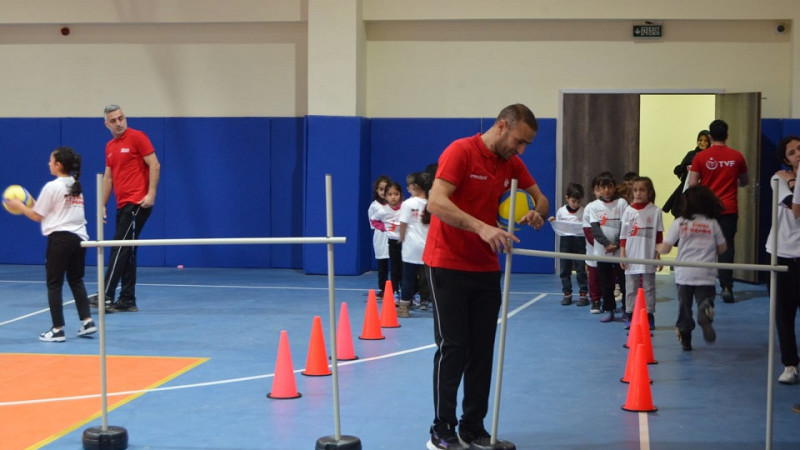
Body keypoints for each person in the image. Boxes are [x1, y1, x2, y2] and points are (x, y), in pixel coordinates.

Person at [422, 103, 549, 449]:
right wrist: (482, 227)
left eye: (526, 145)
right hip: (446, 262)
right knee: (454, 347)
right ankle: (441, 429)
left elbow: (541, 199)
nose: (521, 150)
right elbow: (436, 202)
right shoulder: (461, 151)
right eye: (519, 141)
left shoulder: (511, 162)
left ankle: (473, 427)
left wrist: (537, 213)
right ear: (502, 126)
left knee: (482, 351)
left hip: (485, 267)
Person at [5, 147, 97, 342]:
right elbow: (51, 210)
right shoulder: (75, 185)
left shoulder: (52, 186)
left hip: (60, 240)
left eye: (51, 161)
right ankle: (87, 322)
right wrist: (31, 201)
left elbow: (36, 216)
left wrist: (20, 205)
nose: (48, 164)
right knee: (76, 280)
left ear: (58, 165)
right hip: (79, 239)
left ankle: (57, 330)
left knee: (54, 284)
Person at [89, 105, 161, 313]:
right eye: (113, 120)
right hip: (122, 204)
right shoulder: (110, 146)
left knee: (119, 247)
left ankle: (106, 295)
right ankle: (127, 299)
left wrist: (151, 194)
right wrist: (102, 204)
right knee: (127, 250)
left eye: (121, 118)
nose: (118, 123)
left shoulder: (138, 137)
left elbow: (154, 165)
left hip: (137, 203)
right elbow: (108, 177)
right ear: (106, 124)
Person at [658, 185, 726, 351]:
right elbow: (722, 248)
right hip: (706, 271)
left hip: (685, 272)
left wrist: (656, 247)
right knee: (706, 299)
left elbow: (665, 248)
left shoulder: (680, 222)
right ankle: (705, 310)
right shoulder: (712, 223)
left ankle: (685, 336)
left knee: (684, 306)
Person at [688, 119, 748, 303]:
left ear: (710, 137)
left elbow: (692, 184)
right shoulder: (737, 156)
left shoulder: (700, 157)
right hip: (729, 208)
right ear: (727, 135)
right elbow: (745, 181)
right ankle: (727, 287)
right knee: (726, 247)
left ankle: (704, 286)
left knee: (704, 246)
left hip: (707, 209)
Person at [765, 135, 800, 384]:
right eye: (792, 152)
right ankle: (790, 364)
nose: (798, 154)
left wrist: (795, 179)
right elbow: (793, 206)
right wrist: (792, 179)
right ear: (785, 160)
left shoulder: (790, 179)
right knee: (783, 315)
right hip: (781, 255)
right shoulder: (778, 178)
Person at [620, 176, 663, 330]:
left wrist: (657, 255)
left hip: (648, 257)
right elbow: (623, 236)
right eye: (635, 190)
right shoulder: (628, 211)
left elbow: (659, 236)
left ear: (649, 192)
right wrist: (622, 255)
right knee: (630, 288)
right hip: (631, 257)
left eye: (642, 190)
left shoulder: (656, 211)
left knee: (649, 287)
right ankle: (630, 314)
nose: (638, 193)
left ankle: (649, 315)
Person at [587, 171, 628, 322]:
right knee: (605, 284)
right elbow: (595, 229)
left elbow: (625, 225)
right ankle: (609, 309)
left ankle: (626, 310)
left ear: (614, 187)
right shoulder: (593, 206)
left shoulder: (622, 203)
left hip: (620, 253)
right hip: (602, 252)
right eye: (603, 187)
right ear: (598, 189)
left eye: (609, 186)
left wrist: (616, 244)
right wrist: (606, 244)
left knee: (624, 283)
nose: (607, 190)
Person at [398, 171, 432, 316]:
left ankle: (404, 308)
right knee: (431, 279)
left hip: (411, 247)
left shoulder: (408, 204)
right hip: (428, 246)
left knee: (408, 277)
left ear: (415, 186)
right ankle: (437, 305)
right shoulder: (432, 204)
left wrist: (401, 238)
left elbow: (403, 224)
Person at [548, 182, 588, 306]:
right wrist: (554, 221)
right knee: (565, 269)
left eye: (578, 202)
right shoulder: (561, 211)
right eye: (573, 201)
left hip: (580, 242)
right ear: (567, 198)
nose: (576, 204)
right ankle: (567, 293)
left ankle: (583, 294)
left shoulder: (584, 211)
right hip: (565, 242)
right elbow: (559, 225)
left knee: (581, 269)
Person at [663, 130, 711, 217]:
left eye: (705, 140)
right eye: (700, 140)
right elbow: (677, 170)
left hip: (702, 191)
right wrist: (685, 167)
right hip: (686, 188)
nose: (702, 143)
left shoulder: (710, 156)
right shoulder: (691, 154)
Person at [371, 180, 404, 297]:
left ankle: (409, 293)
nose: (393, 197)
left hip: (406, 242)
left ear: (400, 195)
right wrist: (384, 228)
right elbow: (373, 220)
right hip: (393, 242)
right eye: (390, 194)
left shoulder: (405, 207)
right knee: (395, 268)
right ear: (385, 196)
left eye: (396, 194)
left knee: (406, 268)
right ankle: (395, 291)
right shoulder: (382, 210)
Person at [368, 175, 392, 296]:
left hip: (395, 237)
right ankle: (383, 289)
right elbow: (373, 224)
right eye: (381, 189)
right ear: (377, 190)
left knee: (398, 265)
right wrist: (386, 227)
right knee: (382, 265)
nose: (383, 192)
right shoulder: (374, 206)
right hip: (381, 237)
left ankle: (397, 288)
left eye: (385, 189)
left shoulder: (395, 204)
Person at [582, 183, 604, 312]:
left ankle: (608, 302)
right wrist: (601, 245)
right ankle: (595, 301)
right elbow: (587, 230)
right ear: (594, 191)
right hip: (594, 251)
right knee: (594, 279)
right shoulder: (589, 208)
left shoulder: (614, 206)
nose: (601, 192)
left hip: (610, 252)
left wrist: (611, 245)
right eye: (598, 189)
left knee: (608, 279)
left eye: (603, 188)